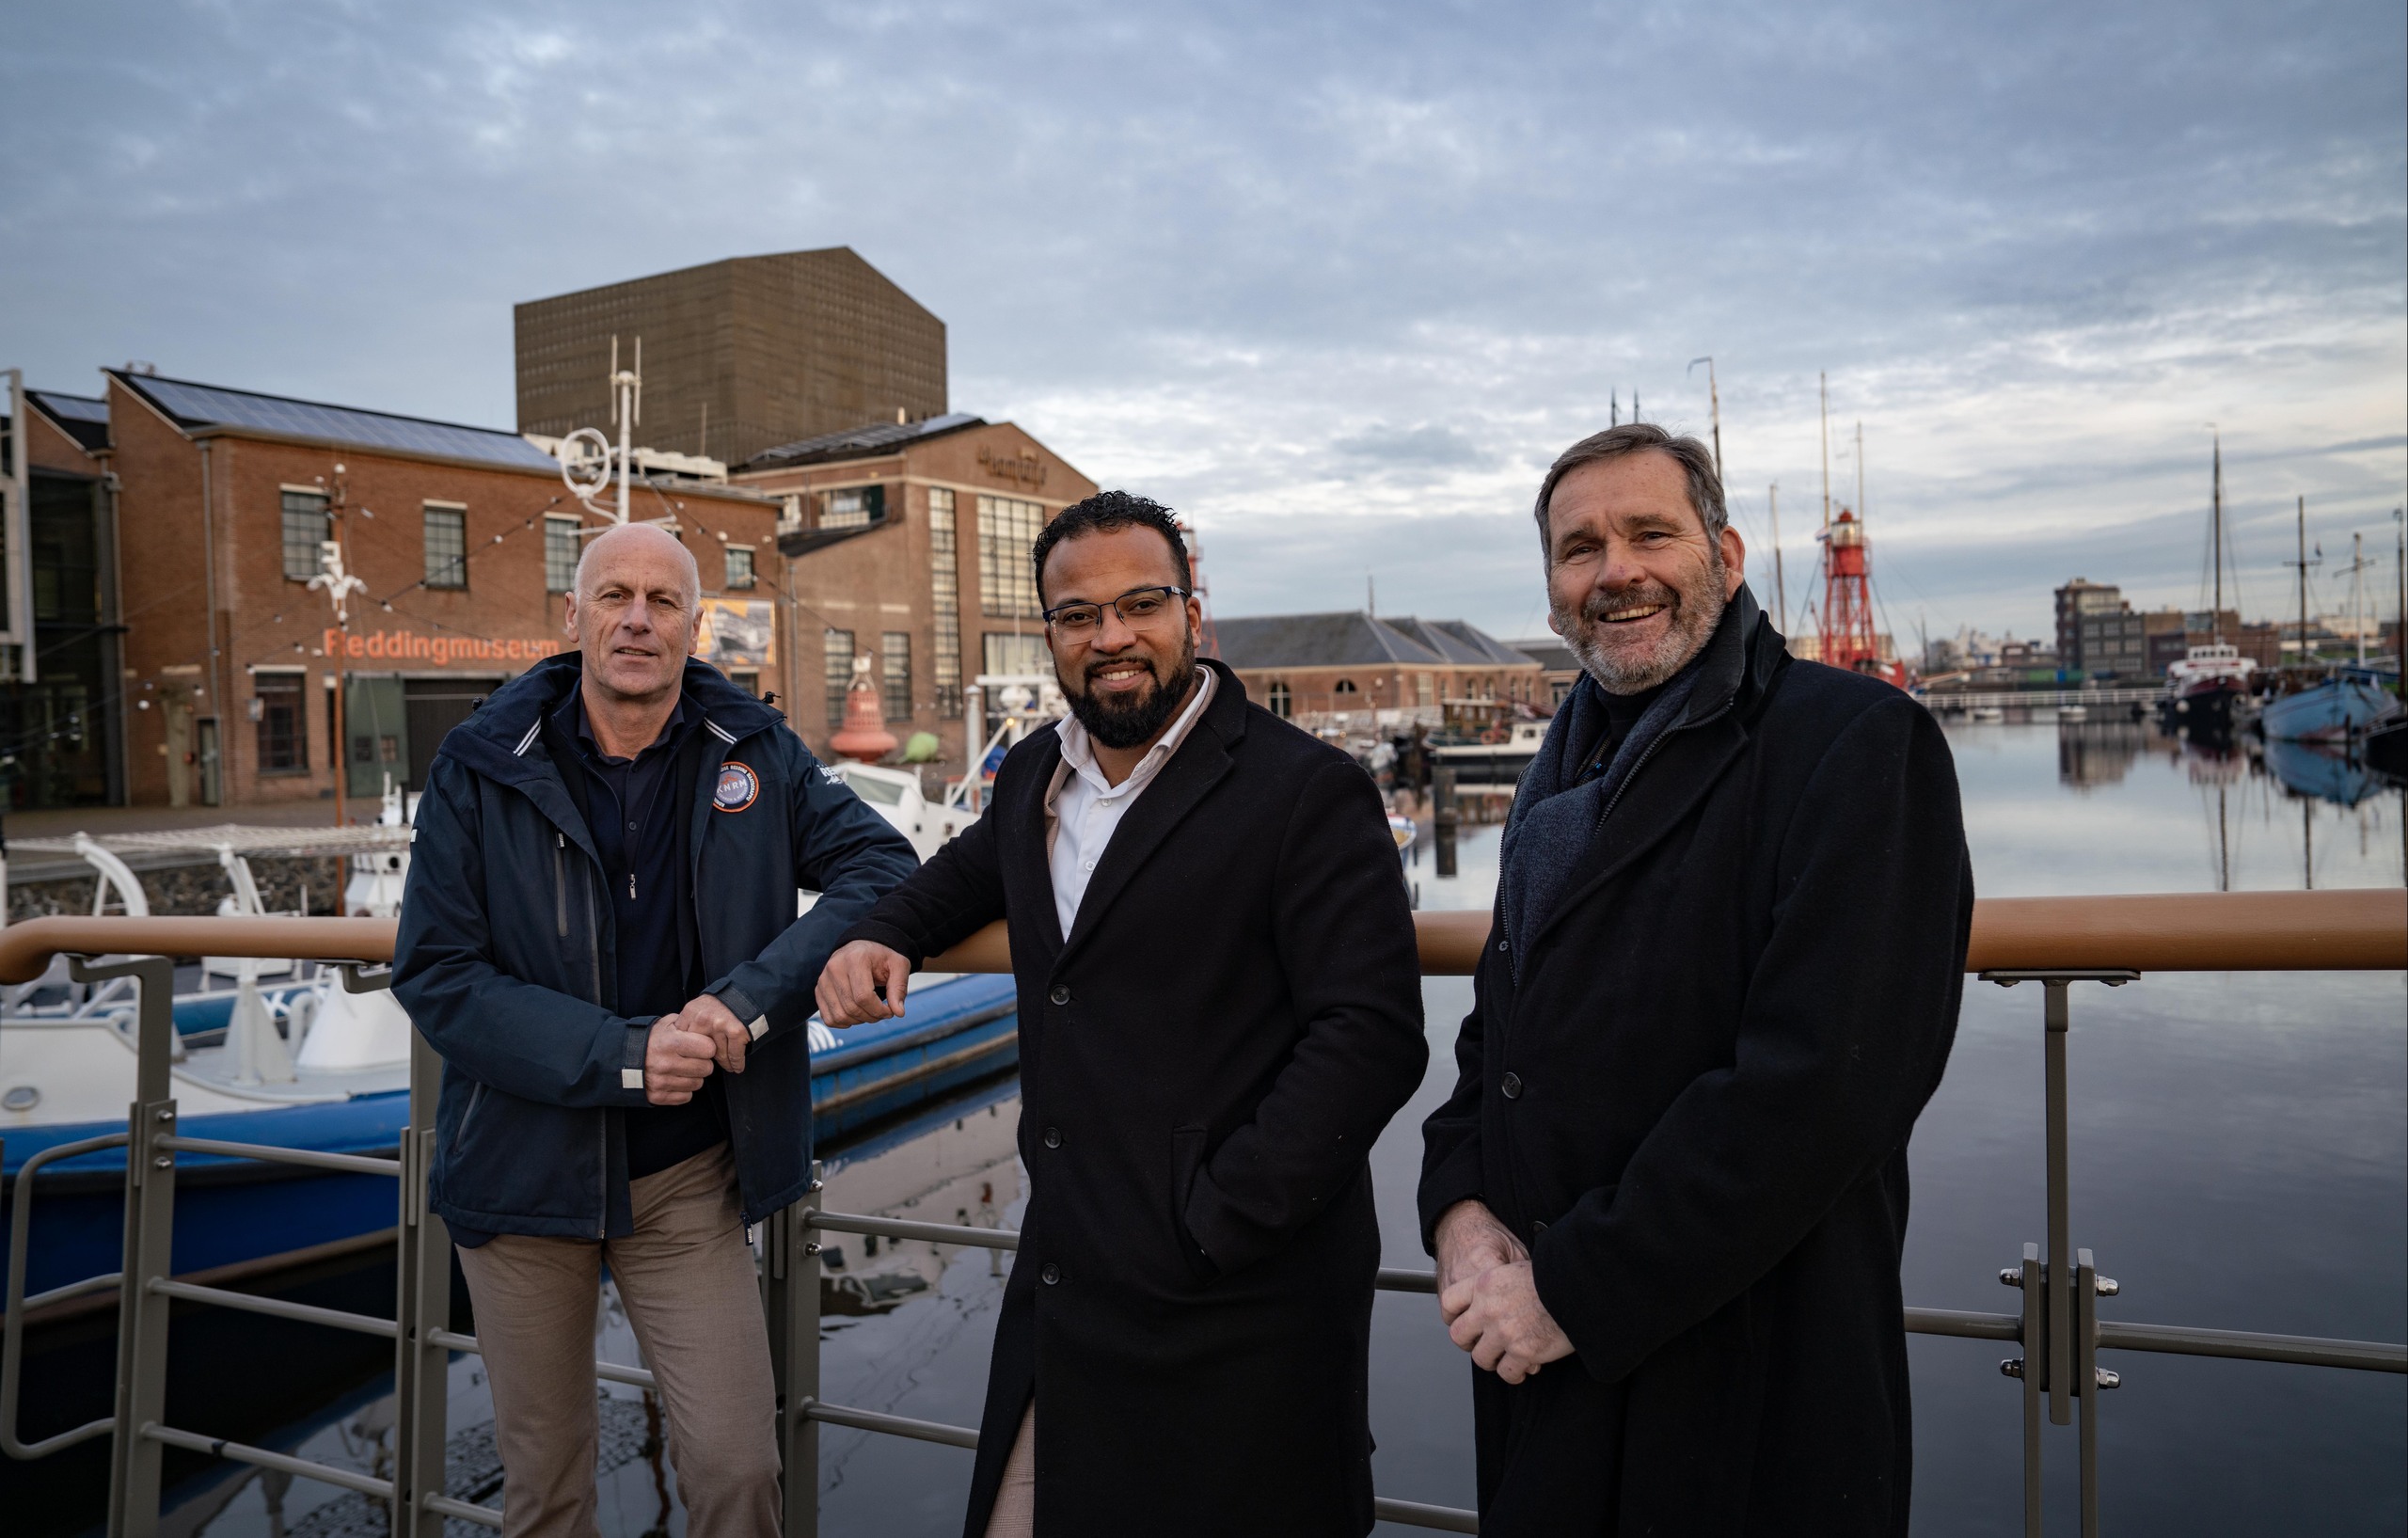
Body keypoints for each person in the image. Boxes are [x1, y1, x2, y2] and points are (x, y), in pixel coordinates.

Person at [816, 490, 1428, 1538]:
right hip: (1073, 1278)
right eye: (1077, 614)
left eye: (1140, 604)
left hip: (1238, 1295)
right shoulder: (1034, 780)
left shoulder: (1302, 790)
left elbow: (1369, 1036)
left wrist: (1215, 1218)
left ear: (1194, 613)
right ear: (1049, 632)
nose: (1111, 637)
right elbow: (956, 878)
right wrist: (881, 933)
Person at [1418, 423, 1971, 1535]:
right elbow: (1500, 1034)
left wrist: (1575, 1290)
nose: (1614, 570)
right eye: (1580, 548)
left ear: (1725, 554)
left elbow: (1823, 1089)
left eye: (1648, 533)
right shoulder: (1564, 760)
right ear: (1553, 591)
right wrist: (1460, 1208)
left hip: (1743, 1363)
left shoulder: (1857, 742)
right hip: (1542, 1358)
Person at [393, 521, 918, 1537]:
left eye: (663, 600)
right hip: (521, 1169)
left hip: (686, 1176)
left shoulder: (753, 748)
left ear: (693, 626)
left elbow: (882, 868)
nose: (637, 618)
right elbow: (438, 974)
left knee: (734, 1468)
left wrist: (747, 1001)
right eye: (614, 595)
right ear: (572, 615)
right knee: (546, 1489)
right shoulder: (480, 761)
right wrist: (624, 1056)